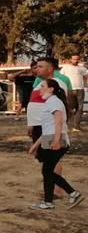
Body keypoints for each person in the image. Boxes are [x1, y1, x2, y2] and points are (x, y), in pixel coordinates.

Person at [28, 78, 83, 210]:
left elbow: (58, 122)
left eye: (42, 86)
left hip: (56, 141)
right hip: (50, 139)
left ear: (51, 89)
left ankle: (52, 201)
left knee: (47, 171)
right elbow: (48, 127)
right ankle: (69, 195)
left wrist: (57, 141)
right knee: (48, 171)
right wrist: (36, 145)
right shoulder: (50, 102)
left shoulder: (54, 102)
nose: (39, 89)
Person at [27, 56, 74, 194]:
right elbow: (35, 103)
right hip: (38, 124)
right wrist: (31, 123)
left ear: (50, 68)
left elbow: (57, 109)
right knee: (46, 159)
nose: (37, 69)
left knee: (52, 159)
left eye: (40, 66)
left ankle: (57, 191)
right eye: (36, 67)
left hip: (46, 127)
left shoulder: (56, 83)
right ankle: (53, 188)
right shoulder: (40, 83)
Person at [59, 54, 86, 131]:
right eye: (74, 59)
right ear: (71, 59)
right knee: (69, 107)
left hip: (80, 89)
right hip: (69, 90)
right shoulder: (65, 68)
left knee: (80, 108)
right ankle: (65, 124)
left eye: (77, 59)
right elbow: (60, 77)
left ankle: (76, 126)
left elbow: (86, 77)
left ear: (79, 59)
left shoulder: (82, 68)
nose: (75, 61)